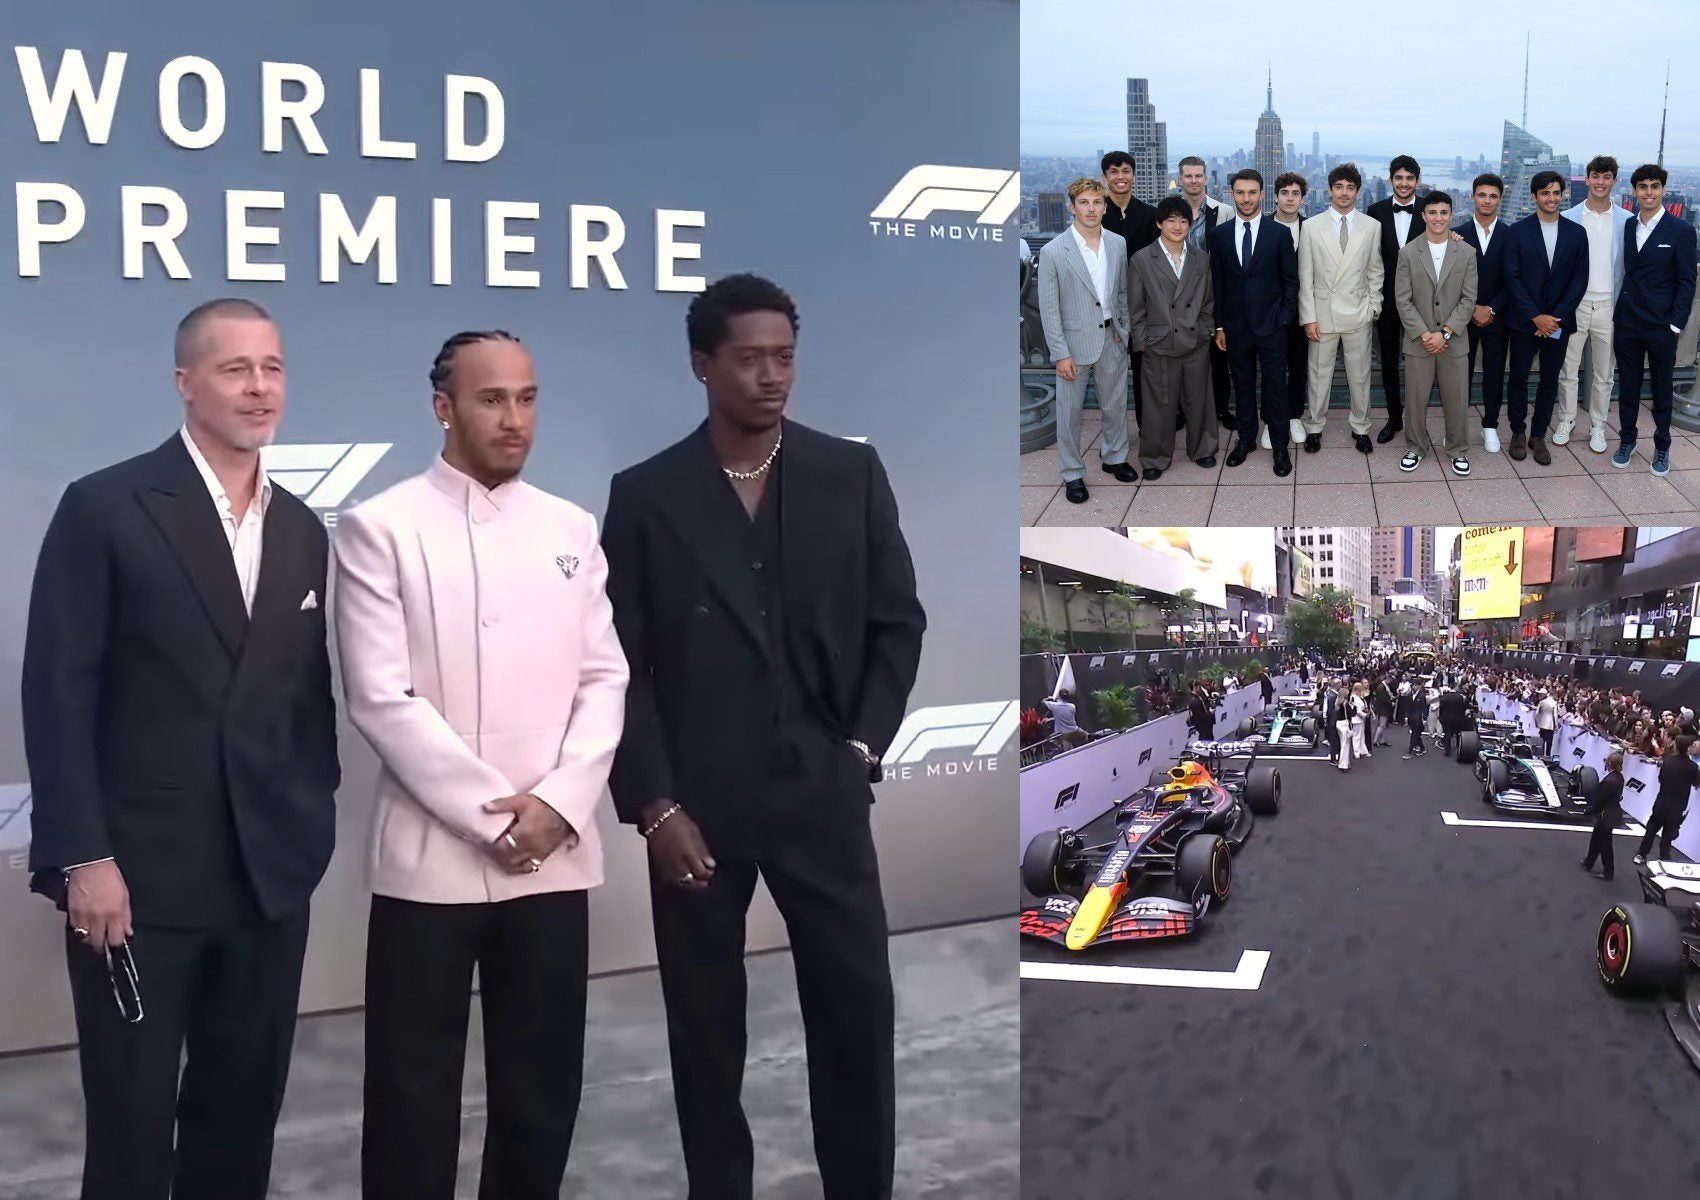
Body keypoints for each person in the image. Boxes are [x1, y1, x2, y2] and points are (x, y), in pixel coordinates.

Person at [600, 274, 926, 1200]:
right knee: (704, 1035)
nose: (771, 376)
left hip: (822, 793)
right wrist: (657, 808)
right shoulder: (646, 495)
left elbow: (897, 624)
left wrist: (861, 749)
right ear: (701, 365)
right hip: (696, 814)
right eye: (748, 359)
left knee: (857, 1018)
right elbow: (619, 665)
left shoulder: (848, 473)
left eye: (784, 357)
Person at [20, 299, 340, 1200]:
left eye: (272, 368)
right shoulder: (107, 506)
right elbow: (58, 690)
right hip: (139, 887)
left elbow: (305, 700)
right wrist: (84, 855)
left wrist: (309, 825)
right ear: (184, 383)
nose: (258, 387)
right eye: (236, 369)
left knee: (240, 1128)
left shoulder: (303, 527)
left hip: (268, 882)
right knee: (129, 1138)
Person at [332, 331, 630, 1200]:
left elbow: (604, 677)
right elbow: (381, 698)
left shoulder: (570, 526)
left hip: (555, 859)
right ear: (444, 408)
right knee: (410, 1094)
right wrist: (502, 815)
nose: (514, 419)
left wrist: (560, 805)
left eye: (527, 398)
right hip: (429, 866)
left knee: (541, 1091)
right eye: (492, 399)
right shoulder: (378, 527)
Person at [1037, 178, 1135, 503]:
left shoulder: (1118, 244)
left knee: (1115, 405)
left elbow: (1122, 291)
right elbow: (1049, 308)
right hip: (1073, 346)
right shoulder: (1054, 251)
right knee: (1069, 414)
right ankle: (1072, 473)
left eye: (1096, 202)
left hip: (1112, 338)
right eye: (1084, 203)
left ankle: (1115, 457)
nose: (1091, 209)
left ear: (1106, 207)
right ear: (1072, 207)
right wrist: (1060, 352)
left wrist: (1124, 331)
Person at [1209, 168, 1299, 477]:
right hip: (1235, 328)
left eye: (1252, 193)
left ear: (1262, 195)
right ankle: (1246, 439)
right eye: (1240, 193)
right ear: (1231, 195)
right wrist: (1219, 326)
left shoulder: (1279, 233)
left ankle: (1280, 447)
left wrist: (1285, 318)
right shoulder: (1218, 235)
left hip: (1272, 326)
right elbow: (1217, 285)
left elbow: (1291, 281)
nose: (1246, 199)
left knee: (1275, 388)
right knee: (1242, 386)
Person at [1612, 162, 1699, 476]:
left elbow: (1687, 282)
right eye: (1642, 187)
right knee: (1629, 386)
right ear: (1634, 192)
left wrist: (1675, 324)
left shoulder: (1681, 231)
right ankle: (1627, 440)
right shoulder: (1628, 226)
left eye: (1654, 186)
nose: (1648, 193)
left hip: (1661, 325)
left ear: (1663, 190)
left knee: (1662, 389)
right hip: (1628, 322)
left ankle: (1662, 446)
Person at [1502, 171, 1589, 466]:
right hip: (1525, 321)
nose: (1551, 198)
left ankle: (1537, 435)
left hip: (1559, 324)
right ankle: (1517, 431)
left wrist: (1555, 318)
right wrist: (1535, 316)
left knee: (1550, 380)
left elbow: (1579, 280)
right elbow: (1512, 278)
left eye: (1556, 193)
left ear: (1563, 194)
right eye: (1545, 193)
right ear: (1534, 197)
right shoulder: (1517, 231)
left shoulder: (1576, 234)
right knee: (1518, 378)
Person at [1128, 196, 1219, 479]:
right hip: (1159, 344)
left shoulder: (1200, 257)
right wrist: (1145, 342)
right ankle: (1154, 458)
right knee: (1158, 406)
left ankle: (1203, 449)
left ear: (1190, 225)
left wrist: (1205, 331)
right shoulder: (1142, 259)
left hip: (1194, 342)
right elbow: (1135, 307)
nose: (1177, 226)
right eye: (1171, 220)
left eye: (1183, 221)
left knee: (1200, 400)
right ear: (1159, 224)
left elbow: (1207, 302)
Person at [1297, 163, 1385, 453]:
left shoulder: (1372, 227)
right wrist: (1308, 317)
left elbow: (1375, 271)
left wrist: (1374, 307)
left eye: (1350, 188)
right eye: (1339, 187)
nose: (1344, 193)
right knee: (1318, 375)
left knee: (1360, 376)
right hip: (1322, 315)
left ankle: (1361, 427)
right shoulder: (1310, 226)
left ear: (1358, 192)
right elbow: (1305, 277)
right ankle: (1314, 427)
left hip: (1358, 313)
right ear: (1330, 189)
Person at [1394, 191, 1478, 477]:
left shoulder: (1466, 252)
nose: (1438, 218)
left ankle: (1457, 449)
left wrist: (1445, 333)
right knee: (1415, 400)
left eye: (1444, 212)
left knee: (1456, 399)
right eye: (1432, 212)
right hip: (1419, 341)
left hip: (1454, 340)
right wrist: (1424, 333)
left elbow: (1469, 299)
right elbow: (1402, 300)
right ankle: (1415, 447)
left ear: (1452, 215)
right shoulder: (1407, 252)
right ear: (1423, 216)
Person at [1557, 156, 1632, 454]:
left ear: (1615, 181)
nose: (1600, 182)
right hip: (1576, 304)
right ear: (1586, 179)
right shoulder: (1571, 216)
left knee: (1604, 374)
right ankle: (1566, 419)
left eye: (1607, 177)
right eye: (1595, 176)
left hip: (1610, 305)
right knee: (1568, 369)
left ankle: (1598, 426)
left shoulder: (1627, 219)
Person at [1366, 156, 1428, 444]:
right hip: (1387, 299)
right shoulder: (1375, 210)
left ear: (1417, 180)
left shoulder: (1430, 210)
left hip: (1422, 302)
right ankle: (1394, 418)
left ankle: (1418, 420)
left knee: (1420, 364)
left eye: (1410, 178)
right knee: (1388, 362)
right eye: (1399, 178)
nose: (1404, 183)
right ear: (1391, 180)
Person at [1099, 150, 1161, 432]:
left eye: (1125, 171)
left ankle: (1147, 431)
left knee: (1145, 376)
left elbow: (1155, 263)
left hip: (1141, 308)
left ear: (1134, 176)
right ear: (1105, 177)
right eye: (1114, 171)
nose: (1120, 177)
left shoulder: (1149, 214)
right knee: (1109, 379)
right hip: (1105, 307)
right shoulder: (1095, 213)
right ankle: (1114, 439)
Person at [1176, 155, 1238, 425]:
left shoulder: (1223, 212)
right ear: (1180, 179)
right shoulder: (1168, 212)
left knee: (1218, 357)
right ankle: (1181, 411)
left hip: (1212, 295)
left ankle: (1221, 409)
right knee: (1179, 355)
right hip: (1177, 297)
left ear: (1205, 178)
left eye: (1198, 175)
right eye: (1188, 176)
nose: (1193, 180)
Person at [1456, 174, 1511, 454]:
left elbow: (1514, 279)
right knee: (1459, 375)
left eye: (1492, 195)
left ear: (1500, 199)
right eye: (1482, 195)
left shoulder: (1511, 235)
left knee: (1494, 374)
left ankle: (1490, 425)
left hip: (1497, 317)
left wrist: (1490, 308)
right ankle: (1458, 428)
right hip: (1464, 318)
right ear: (1472, 197)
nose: (1487, 200)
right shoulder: (1457, 234)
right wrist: (1472, 308)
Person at [1634, 736, 1700, 864]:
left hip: (1662, 801)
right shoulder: (1692, 767)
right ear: (1687, 748)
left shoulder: (1668, 761)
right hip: (1677, 806)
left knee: (1651, 830)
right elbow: (1695, 783)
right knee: (1667, 836)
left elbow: (1660, 778)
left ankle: (1641, 855)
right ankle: (1664, 861)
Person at [1581, 752, 1626, 881]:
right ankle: (1588, 863)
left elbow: (1601, 800)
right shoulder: (1619, 777)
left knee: (1605, 845)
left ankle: (1608, 873)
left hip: (1606, 815)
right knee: (1596, 839)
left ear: (1610, 763)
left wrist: (1588, 810)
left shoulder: (1609, 781)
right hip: (1610, 813)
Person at [1438, 684, 1470, 758]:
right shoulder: (1462, 697)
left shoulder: (1444, 697)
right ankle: (1458, 747)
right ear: (1455, 688)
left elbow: (1441, 709)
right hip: (1458, 719)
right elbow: (1464, 708)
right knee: (1458, 734)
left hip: (1446, 718)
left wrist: (1441, 718)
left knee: (1447, 734)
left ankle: (1447, 751)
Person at [1402, 684, 1429, 758]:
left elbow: (1424, 708)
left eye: (1415, 685)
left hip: (1418, 719)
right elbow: (1407, 707)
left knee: (1414, 735)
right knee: (1416, 735)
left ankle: (1409, 752)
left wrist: (1424, 719)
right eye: (1413, 685)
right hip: (1411, 718)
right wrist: (1406, 717)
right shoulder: (1410, 695)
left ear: (1419, 686)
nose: (1414, 687)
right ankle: (1422, 748)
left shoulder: (1421, 696)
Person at [1536, 689, 1559, 756]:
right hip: (1550, 725)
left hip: (1542, 724)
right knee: (1549, 743)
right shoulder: (1554, 703)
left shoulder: (1542, 702)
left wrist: (1536, 722)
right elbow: (1555, 715)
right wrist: (1556, 725)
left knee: (1542, 741)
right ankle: (1547, 756)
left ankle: (1541, 755)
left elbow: (1536, 713)